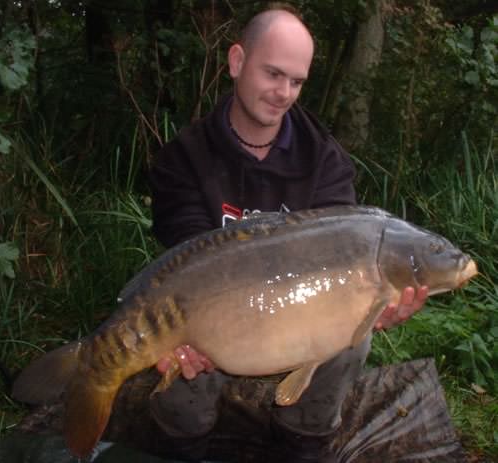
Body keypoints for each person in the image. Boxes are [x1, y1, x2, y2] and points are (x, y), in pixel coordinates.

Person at [148, 5, 428, 462]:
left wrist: (377, 301)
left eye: (296, 82)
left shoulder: (324, 160)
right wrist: (181, 340)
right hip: (217, 321)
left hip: (298, 321)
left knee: (355, 335)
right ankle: (187, 443)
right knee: (178, 371)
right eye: (273, 74)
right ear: (237, 62)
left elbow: (351, 258)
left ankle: (301, 439)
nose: (283, 93)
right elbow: (186, 265)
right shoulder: (184, 158)